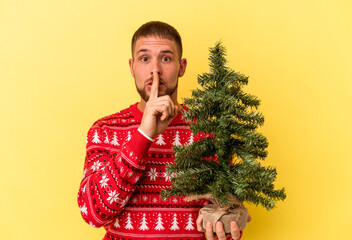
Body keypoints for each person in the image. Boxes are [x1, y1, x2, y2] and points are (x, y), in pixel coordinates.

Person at [77, 21, 249, 240]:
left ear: (182, 67)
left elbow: (225, 211)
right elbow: (92, 214)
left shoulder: (208, 132)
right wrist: (143, 135)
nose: (155, 69)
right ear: (132, 67)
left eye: (166, 58)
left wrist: (227, 224)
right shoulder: (104, 130)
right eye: (145, 58)